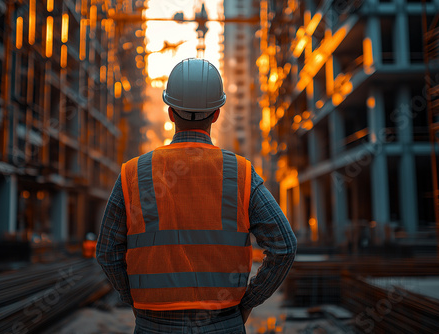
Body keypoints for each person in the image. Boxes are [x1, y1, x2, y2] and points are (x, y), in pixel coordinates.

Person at [97, 58, 297, 333]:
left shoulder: (134, 173)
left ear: (170, 112)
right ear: (216, 114)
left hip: (154, 324)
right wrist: (247, 301)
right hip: (223, 322)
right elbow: (284, 246)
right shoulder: (240, 173)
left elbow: (107, 251)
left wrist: (134, 300)